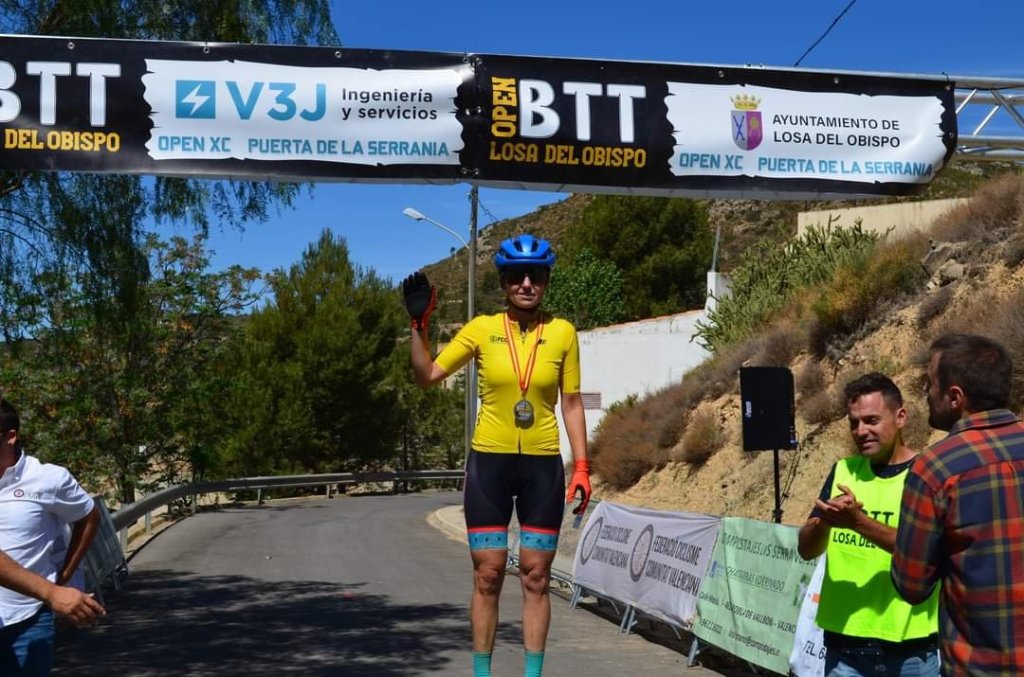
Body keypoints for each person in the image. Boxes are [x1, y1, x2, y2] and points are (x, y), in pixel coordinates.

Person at [402, 234, 590, 677]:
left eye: (536, 275)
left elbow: (571, 403)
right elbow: (428, 375)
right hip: (490, 464)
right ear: (504, 282)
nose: (527, 283)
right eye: (517, 276)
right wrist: (419, 327)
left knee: (536, 577)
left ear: (546, 281)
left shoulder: (563, 332)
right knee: (488, 574)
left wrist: (582, 466)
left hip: (542, 465)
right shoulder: (481, 328)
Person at [891, 334, 1024, 675]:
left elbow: (912, 585)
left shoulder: (936, 468)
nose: (926, 393)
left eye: (930, 383)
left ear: (955, 397)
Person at [798, 372, 939, 676]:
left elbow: (925, 551)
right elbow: (806, 550)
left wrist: (858, 522)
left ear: (900, 417)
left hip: (909, 651)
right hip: (844, 649)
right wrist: (825, 522)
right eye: (854, 422)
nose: (861, 431)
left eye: (871, 420)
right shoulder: (843, 472)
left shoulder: (926, 474)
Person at [0, 398, 102, 675]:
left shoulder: (47, 479)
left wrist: (64, 577)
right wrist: (53, 592)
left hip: (26, 620)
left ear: (10, 436)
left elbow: (89, 517)